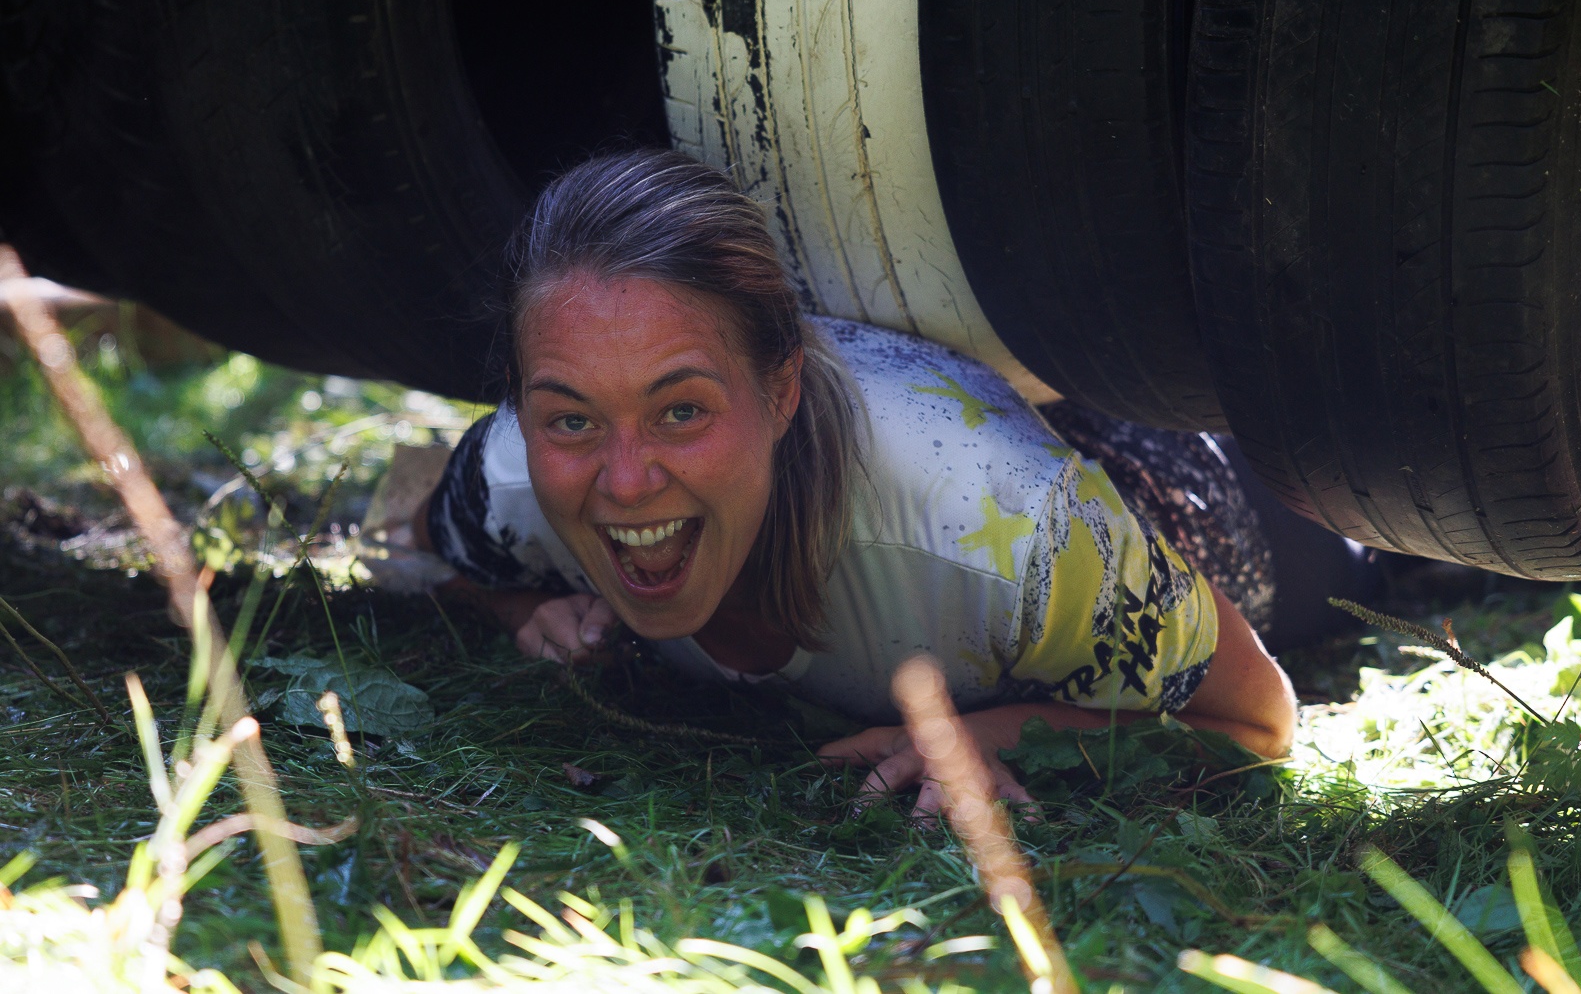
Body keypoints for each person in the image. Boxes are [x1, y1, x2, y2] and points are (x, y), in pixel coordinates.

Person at [416, 149, 1296, 816]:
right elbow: (432, 554)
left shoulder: (1011, 529)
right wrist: (524, 611)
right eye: (573, 420)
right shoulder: (514, 474)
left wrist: (993, 735)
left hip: (1196, 489)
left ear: (781, 391)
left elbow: (1257, 722)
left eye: (680, 411)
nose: (626, 481)